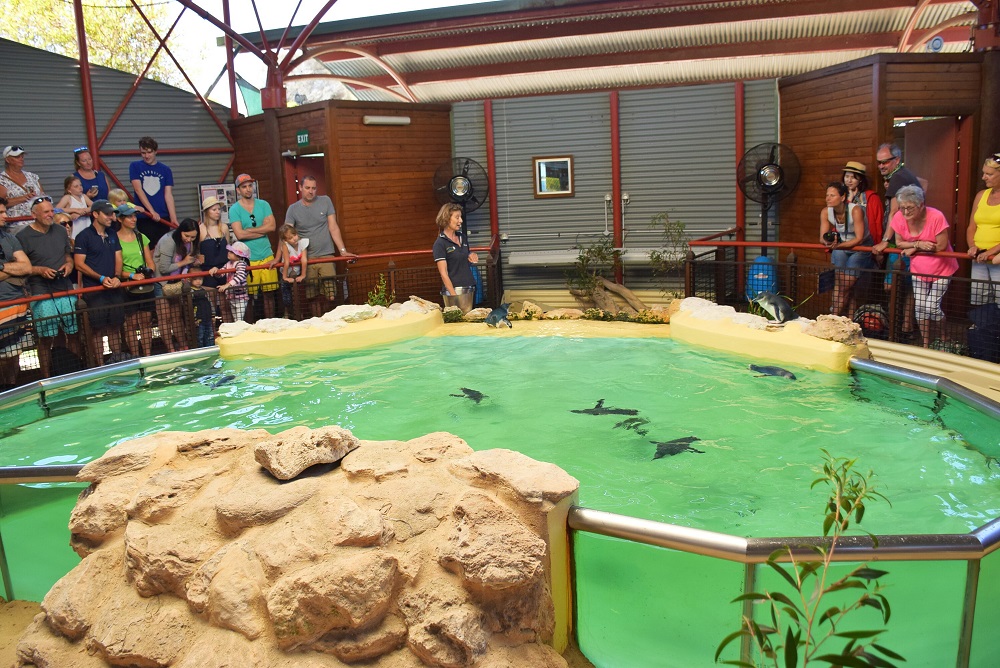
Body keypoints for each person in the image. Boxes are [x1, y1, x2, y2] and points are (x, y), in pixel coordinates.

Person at [882, 185, 959, 348]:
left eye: (910, 208)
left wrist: (915, 247)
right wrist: (918, 244)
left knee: (932, 306)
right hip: (919, 268)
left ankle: (944, 336)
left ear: (921, 205)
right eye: (902, 207)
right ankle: (925, 344)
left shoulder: (936, 216)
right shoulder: (899, 217)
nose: (905, 212)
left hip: (942, 268)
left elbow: (941, 246)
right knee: (920, 307)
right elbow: (900, 243)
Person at [16, 196, 80, 377]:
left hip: (64, 288)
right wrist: (40, 270)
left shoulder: (60, 230)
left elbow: (68, 255)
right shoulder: (23, 236)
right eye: (46, 212)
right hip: (40, 291)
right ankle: (46, 377)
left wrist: (69, 265)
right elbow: (21, 266)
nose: (51, 214)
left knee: (73, 333)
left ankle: (75, 371)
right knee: (45, 337)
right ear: (34, 214)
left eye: (52, 211)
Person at [284, 175, 355, 313]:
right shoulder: (293, 209)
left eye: (314, 188)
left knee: (330, 294)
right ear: (300, 188)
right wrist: (283, 258)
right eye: (307, 188)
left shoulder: (325, 201)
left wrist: (342, 250)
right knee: (312, 296)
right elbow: (286, 234)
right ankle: (317, 320)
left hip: (326, 255)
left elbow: (333, 227)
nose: (311, 191)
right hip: (306, 258)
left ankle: (328, 318)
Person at [74, 199, 126, 365]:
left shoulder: (112, 234)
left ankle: (117, 360)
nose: (111, 217)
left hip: (114, 289)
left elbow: (118, 256)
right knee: (97, 329)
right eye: (107, 214)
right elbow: (79, 264)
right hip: (94, 291)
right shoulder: (83, 236)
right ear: (95, 214)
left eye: (112, 214)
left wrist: (117, 276)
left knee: (115, 326)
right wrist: (101, 278)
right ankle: (100, 364)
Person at [228, 173, 278, 319]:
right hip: (247, 258)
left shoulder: (264, 204)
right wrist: (262, 230)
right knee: (248, 296)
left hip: (267, 254)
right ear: (238, 190)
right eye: (244, 186)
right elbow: (239, 235)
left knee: (269, 294)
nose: (248, 189)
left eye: (250, 185)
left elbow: (272, 227)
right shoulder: (235, 209)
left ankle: (270, 325)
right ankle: (249, 326)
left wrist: (249, 230)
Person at [820, 182, 873, 316]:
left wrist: (837, 246)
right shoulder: (826, 212)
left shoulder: (856, 210)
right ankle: (837, 318)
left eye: (832, 195)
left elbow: (859, 238)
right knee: (840, 284)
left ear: (843, 197)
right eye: (827, 195)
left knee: (846, 285)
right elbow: (822, 237)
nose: (828, 198)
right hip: (842, 246)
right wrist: (828, 242)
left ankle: (837, 317)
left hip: (860, 247)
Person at [153, 218, 201, 353]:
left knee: (176, 315)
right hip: (161, 282)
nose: (189, 239)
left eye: (193, 237)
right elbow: (163, 268)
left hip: (177, 281)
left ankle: (183, 345)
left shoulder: (190, 243)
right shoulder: (168, 241)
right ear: (180, 231)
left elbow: (187, 261)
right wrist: (184, 262)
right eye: (187, 236)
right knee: (165, 317)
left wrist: (191, 263)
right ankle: (170, 349)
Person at [0, 197, 33, 388]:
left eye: (5, 211)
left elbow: (26, 267)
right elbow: (20, 266)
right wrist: (13, 267)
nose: (5, 215)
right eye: (1, 212)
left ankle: (12, 387)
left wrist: (2, 267)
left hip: (15, 305)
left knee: (14, 352)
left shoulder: (9, 238)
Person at [115, 203, 155, 357]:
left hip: (145, 284)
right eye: (129, 216)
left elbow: (150, 262)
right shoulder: (114, 239)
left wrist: (148, 272)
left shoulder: (141, 237)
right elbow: (115, 269)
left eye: (134, 216)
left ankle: (147, 355)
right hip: (127, 286)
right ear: (120, 219)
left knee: (146, 321)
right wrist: (131, 275)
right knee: (131, 324)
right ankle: (135, 356)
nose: (134, 219)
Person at [129, 136, 177, 248]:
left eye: (149, 152)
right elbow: (138, 189)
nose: (146, 156)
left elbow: (168, 194)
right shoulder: (135, 166)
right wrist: (151, 211)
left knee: (164, 247)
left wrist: (173, 217)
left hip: (163, 216)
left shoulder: (165, 170)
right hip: (145, 216)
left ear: (155, 151)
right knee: (149, 247)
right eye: (143, 153)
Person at [967, 152, 1000, 306]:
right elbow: (971, 226)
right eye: (983, 173)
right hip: (979, 258)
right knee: (979, 299)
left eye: (989, 174)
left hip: (996, 258)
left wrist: (991, 252)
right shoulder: (981, 195)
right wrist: (972, 246)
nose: (983, 177)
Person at [433, 203, 478, 298]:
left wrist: (471, 255)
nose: (461, 220)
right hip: (454, 290)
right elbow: (443, 274)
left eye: (460, 217)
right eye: (457, 217)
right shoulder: (440, 243)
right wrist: (454, 296)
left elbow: (464, 258)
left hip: (470, 287)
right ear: (447, 218)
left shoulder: (463, 237)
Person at [0, 146, 45, 229]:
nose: (21, 159)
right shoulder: (2, 180)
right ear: (7, 160)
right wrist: (23, 198)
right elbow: (1, 204)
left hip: (38, 220)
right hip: (17, 223)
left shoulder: (32, 177)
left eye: (22, 156)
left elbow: (43, 196)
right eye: (17, 157)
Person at [842, 161, 884, 246]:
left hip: (866, 242)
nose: (849, 180)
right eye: (847, 176)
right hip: (845, 241)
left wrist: (878, 245)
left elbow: (878, 222)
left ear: (860, 179)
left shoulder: (872, 197)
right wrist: (849, 201)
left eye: (853, 177)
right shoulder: (842, 197)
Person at [211, 241, 250, 322]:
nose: (228, 253)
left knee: (239, 320)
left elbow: (240, 276)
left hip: (240, 297)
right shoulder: (228, 263)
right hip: (231, 296)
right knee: (236, 320)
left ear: (239, 256)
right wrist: (216, 270)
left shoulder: (241, 264)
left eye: (232, 252)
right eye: (229, 251)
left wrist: (227, 285)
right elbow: (221, 274)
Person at [275, 224, 309, 316]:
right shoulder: (285, 245)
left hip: (297, 273)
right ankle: (287, 313)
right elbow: (286, 262)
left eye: (294, 235)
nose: (294, 238)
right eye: (290, 238)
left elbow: (304, 259)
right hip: (286, 272)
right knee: (287, 297)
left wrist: (303, 275)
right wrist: (285, 277)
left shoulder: (303, 243)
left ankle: (299, 314)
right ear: (285, 240)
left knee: (298, 295)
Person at [190, 276, 215, 347]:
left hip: (208, 317)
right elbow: (191, 307)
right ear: (190, 280)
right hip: (199, 319)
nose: (198, 281)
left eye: (200, 279)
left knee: (210, 335)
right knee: (200, 336)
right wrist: (195, 318)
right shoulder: (191, 292)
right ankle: (201, 350)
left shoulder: (204, 290)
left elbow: (210, 303)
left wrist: (213, 315)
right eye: (195, 279)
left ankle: (210, 349)